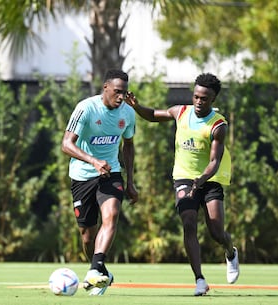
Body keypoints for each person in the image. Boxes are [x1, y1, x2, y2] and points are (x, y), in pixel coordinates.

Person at [125, 73, 239, 296]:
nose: (198, 101)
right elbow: (153, 115)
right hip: (184, 177)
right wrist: (137, 106)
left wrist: (202, 179)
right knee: (189, 222)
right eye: (196, 96)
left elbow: (214, 161)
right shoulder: (181, 112)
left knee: (216, 232)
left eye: (204, 98)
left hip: (209, 179)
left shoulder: (218, 125)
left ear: (213, 99)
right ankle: (199, 279)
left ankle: (230, 251)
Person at [62, 69, 138, 296]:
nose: (121, 97)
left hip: (111, 173)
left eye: (124, 92)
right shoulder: (86, 108)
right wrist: (93, 161)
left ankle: (95, 268)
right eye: (117, 92)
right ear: (105, 88)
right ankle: (99, 269)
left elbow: (129, 145)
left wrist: (131, 181)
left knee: (112, 214)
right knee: (87, 235)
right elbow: (66, 144)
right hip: (82, 175)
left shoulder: (128, 113)